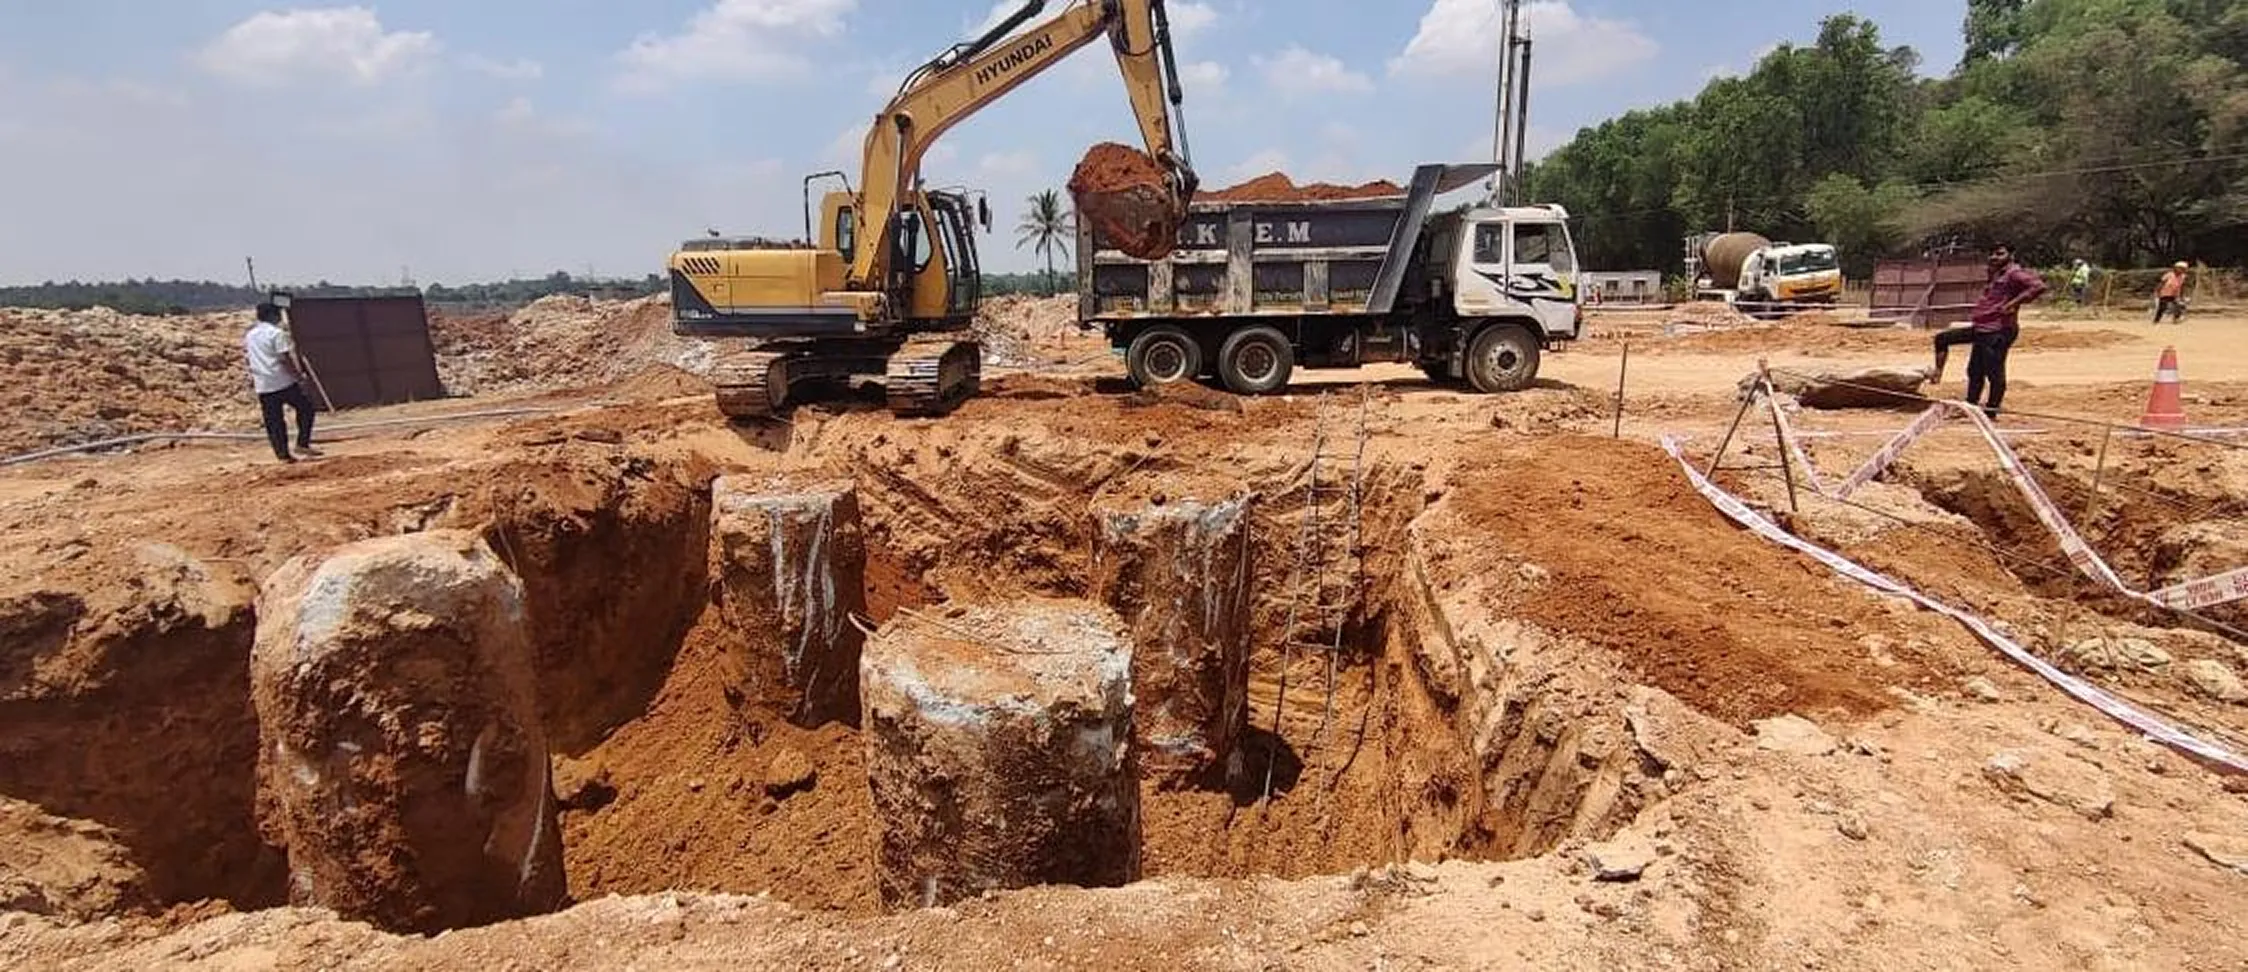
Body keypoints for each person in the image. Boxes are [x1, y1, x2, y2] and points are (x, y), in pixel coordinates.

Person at [1932, 242, 2046, 419]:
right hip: (1982, 328)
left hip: (1998, 330)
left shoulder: (2014, 274)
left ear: (2011, 255)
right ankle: (1969, 404)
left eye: (1999, 254)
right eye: (1992, 254)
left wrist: (2013, 304)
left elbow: (2038, 286)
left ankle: (1991, 410)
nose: (1994, 257)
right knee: (1963, 359)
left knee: (1994, 371)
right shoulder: (1994, 273)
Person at [244, 302, 322, 463]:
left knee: (274, 421)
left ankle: (282, 455)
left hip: (263, 384)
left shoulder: (250, 335)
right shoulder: (276, 333)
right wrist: (299, 376)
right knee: (306, 408)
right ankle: (302, 442)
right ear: (273, 315)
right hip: (282, 381)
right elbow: (284, 358)